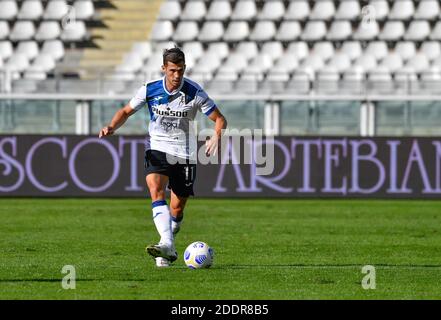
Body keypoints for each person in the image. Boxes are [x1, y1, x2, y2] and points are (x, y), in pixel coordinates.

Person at [99, 47, 227, 267]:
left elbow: (220, 119)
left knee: (177, 209)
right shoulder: (150, 89)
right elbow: (126, 111)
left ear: (185, 68)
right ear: (164, 69)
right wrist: (112, 126)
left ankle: (168, 242)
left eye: (180, 70)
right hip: (157, 147)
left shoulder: (195, 92)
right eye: (172, 71)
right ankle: (166, 244)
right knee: (155, 189)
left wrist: (216, 137)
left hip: (185, 154)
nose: (177, 76)